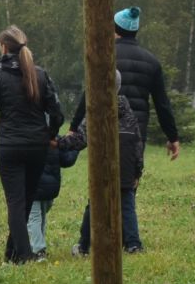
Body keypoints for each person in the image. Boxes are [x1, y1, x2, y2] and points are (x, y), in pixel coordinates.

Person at [69, 7, 180, 253]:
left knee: (98, 188)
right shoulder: (151, 62)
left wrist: (74, 126)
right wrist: (172, 137)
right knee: (128, 188)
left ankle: (87, 243)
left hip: (103, 131)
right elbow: (162, 103)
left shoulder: (104, 57)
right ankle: (126, 241)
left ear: (114, 29)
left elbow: (88, 95)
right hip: (134, 135)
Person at [0, 26, 64, 264]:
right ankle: (12, 253)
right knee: (27, 199)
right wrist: (51, 134)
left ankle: (24, 256)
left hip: (10, 146)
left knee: (15, 202)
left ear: (3, 47)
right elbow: (57, 111)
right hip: (38, 146)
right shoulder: (41, 75)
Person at [61, 71, 145, 255]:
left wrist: (59, 143)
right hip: (125, 168)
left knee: (94, 207)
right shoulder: (128, 113)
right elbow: (137, 144)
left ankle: (84, 246)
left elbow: (80, 139)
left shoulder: (95, 110)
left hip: (102, 167)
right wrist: (137, 172)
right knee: (127, 206)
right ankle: (133, 244)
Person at [28, 140, 79, 261]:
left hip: (32, 185)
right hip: (50, 188)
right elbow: (67, 160)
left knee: (33, 218)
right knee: (41, 218)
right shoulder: (55, 140)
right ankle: (37, 246)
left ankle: (38, 250)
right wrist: (76, 147)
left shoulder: (29, 138)